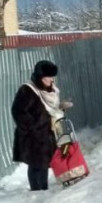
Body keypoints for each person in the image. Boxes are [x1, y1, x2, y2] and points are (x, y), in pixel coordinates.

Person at [11, 60, 73, 191]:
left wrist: (61, 107)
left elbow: (50, 110)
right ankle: (36, 191)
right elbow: (18, 111)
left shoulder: (51, 91)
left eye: (52, 77)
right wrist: (33, 126)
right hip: (32, 135)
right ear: (40, 77)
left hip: (46, 133)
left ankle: (43, 190)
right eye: (48, 77)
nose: (51, 80)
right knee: (35, 165)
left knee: (44, 163)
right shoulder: (28, 90)